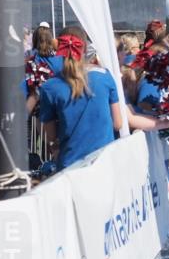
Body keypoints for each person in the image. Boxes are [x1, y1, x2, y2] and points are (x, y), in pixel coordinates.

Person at [36, 28, 122, 170]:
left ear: (59, 47)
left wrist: (55, 148)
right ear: (85, 48)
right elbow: (118, 124)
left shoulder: (49, 87)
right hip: (105, 162)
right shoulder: (105, 76)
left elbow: (51, 136)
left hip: (70, 165)